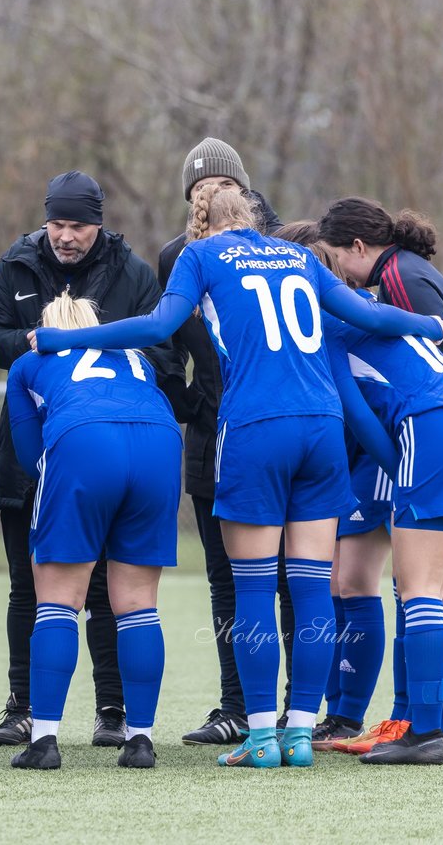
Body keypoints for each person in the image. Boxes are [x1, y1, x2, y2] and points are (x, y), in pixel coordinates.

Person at [33, 183, 443, 768]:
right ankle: (301, 733)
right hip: (322, 426)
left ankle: (259, 737)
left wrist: (68, 338)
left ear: (200, 224)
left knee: (251, 586)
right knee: (309, 588)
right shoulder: (299, 255)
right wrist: (428, 328)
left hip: (256, 428)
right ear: (254, 220)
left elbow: (157, 327)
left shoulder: (200, 256)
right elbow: (365, 313)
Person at [0, 170, 176, 748]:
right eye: (57, 224)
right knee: (96, 596)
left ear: (99, 224)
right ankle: (113, 727)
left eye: (78, 226)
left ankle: (76, 723)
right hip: (149, 439)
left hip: (70, 447)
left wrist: (50, 353)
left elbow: (161, 347)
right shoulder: (16, 264)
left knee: (60, 596)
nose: (65, 236)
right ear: (45, 220)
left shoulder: (133, 274)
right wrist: (39, 341)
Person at [317, 274, 443, 767]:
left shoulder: (326, 325)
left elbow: (356, 416)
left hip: (434, 427)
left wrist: (401, 473)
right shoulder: (369, 307)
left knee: (418, 588)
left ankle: (421, 734)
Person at [5, 292, 181, 770]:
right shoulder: (135, 356)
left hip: (84, 441)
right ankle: (140, 739)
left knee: (58, 601)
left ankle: (44, 740)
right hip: (160, 444)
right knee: (139, 605)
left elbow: (29, 457)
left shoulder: (30, 361)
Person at [159, 138, 297, 746]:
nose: (207, 194)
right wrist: (191, 404)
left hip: (276, 427)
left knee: (293, 573)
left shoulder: (280, 250)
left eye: (218, 184)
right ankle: (237, 704)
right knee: (225, 574)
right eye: (196, 187)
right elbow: (166, 346)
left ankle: (296, 707)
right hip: (214, 431)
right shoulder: (177, 256)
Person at [271, 224, 396, 751]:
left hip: (374, 454)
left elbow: (359, 398)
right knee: (328, 585)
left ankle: (347, 715)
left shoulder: (342, 309)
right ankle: (328, 711)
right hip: (338, 458)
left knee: (356, 582)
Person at [318, 197, 443, 462]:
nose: (335, 274)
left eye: (335, 258)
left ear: (358, 246)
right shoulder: (407, 267)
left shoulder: (399, 278)